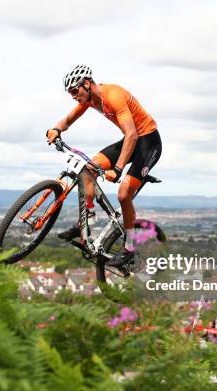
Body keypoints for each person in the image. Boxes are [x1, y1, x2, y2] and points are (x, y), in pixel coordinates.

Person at [46, 65, 162, 267]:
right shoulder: (89, 99)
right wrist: (56, 129)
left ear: (87, 84)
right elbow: (68, 119)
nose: (73, 96)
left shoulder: (113, 95)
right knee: (88, 170)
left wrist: (117, 169)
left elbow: (132, 134)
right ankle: (85, 223)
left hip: (148, 142)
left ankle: (129, 250)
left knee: (124, 194)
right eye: (70, 93)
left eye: (74, 91)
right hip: (130, 141)